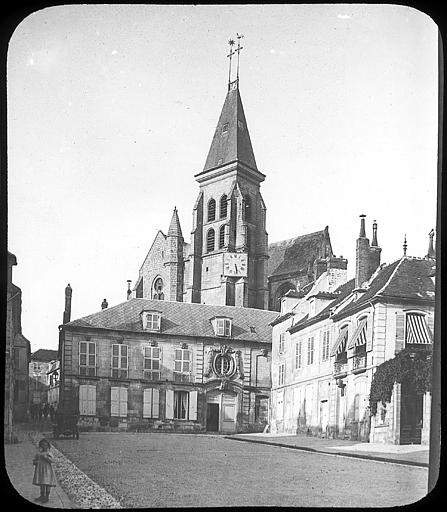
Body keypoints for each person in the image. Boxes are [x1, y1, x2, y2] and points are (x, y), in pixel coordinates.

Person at [32, 438, 56, 503]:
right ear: (40, 446)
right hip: (40, 470)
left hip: (47, 470)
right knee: (42, 482)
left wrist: (46, 457)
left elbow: (52, 461)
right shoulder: (39, 454)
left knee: (47, 483)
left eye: (45, 445)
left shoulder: (49, 453)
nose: (44, 447)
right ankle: (42, 495)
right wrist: (35, 462)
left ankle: (47, 496)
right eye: (42, 445)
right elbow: (34, 461)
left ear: (48, 446)